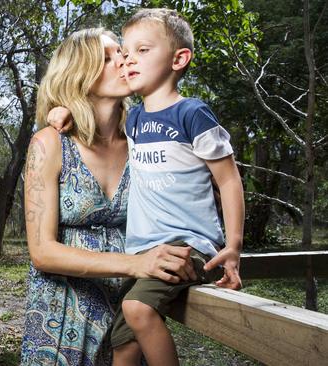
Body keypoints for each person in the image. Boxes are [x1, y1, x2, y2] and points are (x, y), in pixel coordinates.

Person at [47, 8, 245, 366]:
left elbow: (229, 179)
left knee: (137, 308)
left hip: (188, 244)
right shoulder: (135, 119)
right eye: (125, 52)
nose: (127, 59)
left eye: (142, 50)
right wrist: (65, 111)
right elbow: (98, 118)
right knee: (123, 345)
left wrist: (233, 246)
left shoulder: (192, 114)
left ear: (179, 58)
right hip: (144, 253)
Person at [21, 27, 197, 366]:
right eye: (107, 57)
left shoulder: (146, 138)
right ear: (78, 74)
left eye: (124, 52)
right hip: (63, 315)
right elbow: (41, 252)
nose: (124, 60)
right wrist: (136, 263)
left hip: (130, 311)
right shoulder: (49, 144)